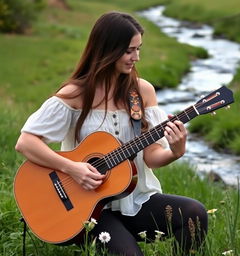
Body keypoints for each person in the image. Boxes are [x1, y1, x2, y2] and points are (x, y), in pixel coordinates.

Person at [15, 11, 208, 256]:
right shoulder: (75, 94)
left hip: (135, 200)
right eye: (129, 50)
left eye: (139, 49)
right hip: (88, 209)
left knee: (195, 213)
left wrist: (176, 152)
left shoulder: (141, 92)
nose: (136, 57)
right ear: (106, 49)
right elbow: (26, 142)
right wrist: (73, 168)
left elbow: (151, 156)